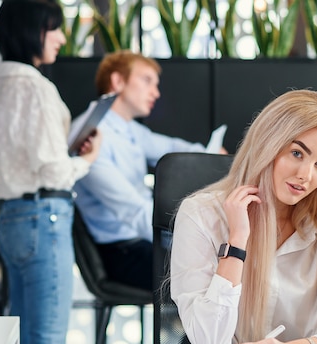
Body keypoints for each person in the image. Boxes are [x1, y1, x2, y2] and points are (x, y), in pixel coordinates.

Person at [170, 90, 317, 344]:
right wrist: (237, 242)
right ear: (267, 144)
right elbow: (209, 343)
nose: (306, 175)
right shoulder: (201, 215)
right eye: (296, 153)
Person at [0, 0, 101, 344]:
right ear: (31, 31)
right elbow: (52, 170)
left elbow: (21, 155)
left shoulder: (0, 85)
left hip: (12, 217)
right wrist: (87, 160)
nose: (62, 38)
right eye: (54, 29)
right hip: (44, 216)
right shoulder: (36, 87)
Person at [72, 51, 224, 291]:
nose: (156, 92)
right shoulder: (91, 136)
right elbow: (134, 213)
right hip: (123, 252)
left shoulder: (128, 128)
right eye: (147, 81)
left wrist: (212, 154)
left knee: (221, 263)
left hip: (142, 241)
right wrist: (187, 237)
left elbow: (172, 147)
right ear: (118, 81)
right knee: (212, 272)